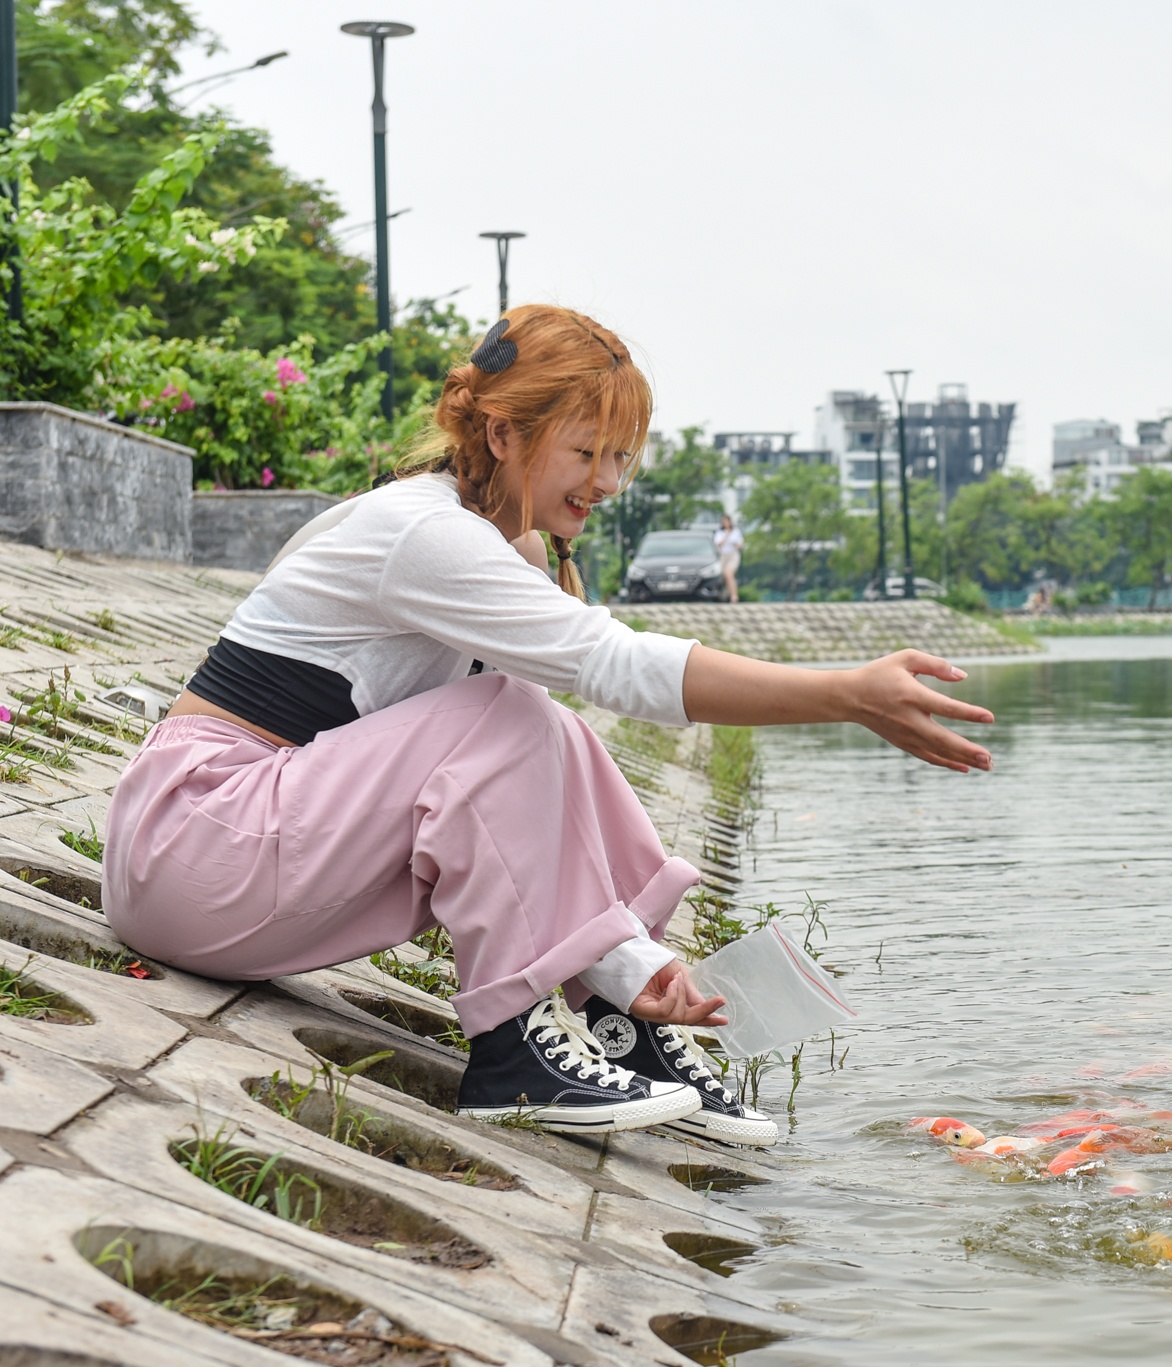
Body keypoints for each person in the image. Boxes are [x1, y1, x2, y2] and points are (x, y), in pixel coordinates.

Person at [100, 305, 993, 1144]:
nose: (606, 482)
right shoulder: (425, 532)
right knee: (512, 713)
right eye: (586, 452)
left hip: (238, 862)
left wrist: (622, 960)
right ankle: (511, 1055)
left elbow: (538, 773)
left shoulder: (498, 543)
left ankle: (623, 1014)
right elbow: (616, 664)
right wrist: (845, 693)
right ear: (502, 434)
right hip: (191, 844)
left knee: (547, 730)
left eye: (621, 457)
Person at [713, 513, 743, 604]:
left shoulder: (736, 531)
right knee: (725, 577)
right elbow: (718, 544)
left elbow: (740, 544)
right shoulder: (719, 533)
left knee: (729, 574)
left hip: (733, 555)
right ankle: (726, 594)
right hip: (723, 556)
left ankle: (734, 596)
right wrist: (726, 535)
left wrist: (735, 543)